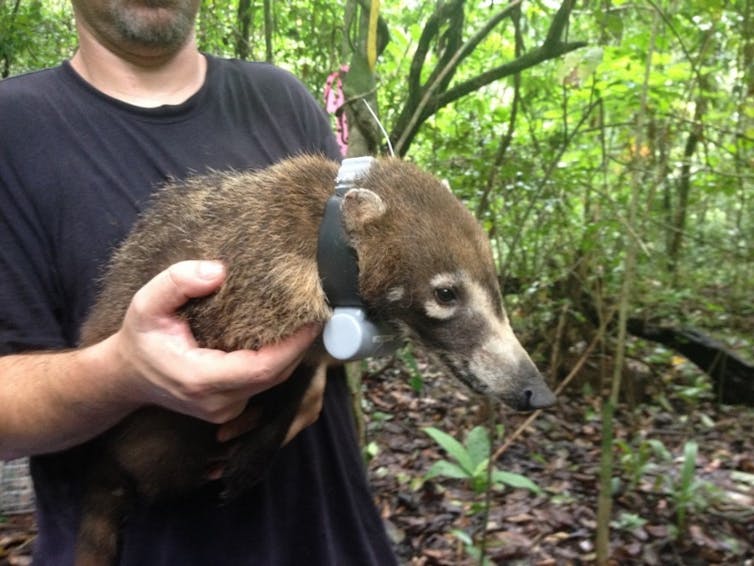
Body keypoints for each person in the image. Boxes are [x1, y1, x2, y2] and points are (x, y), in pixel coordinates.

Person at [0, 0, 397, 563]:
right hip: (134, 533)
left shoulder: (282, 98)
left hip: (325, 532)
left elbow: (361, 302)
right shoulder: (13, 128)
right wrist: (122, 373)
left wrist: (319, 359)